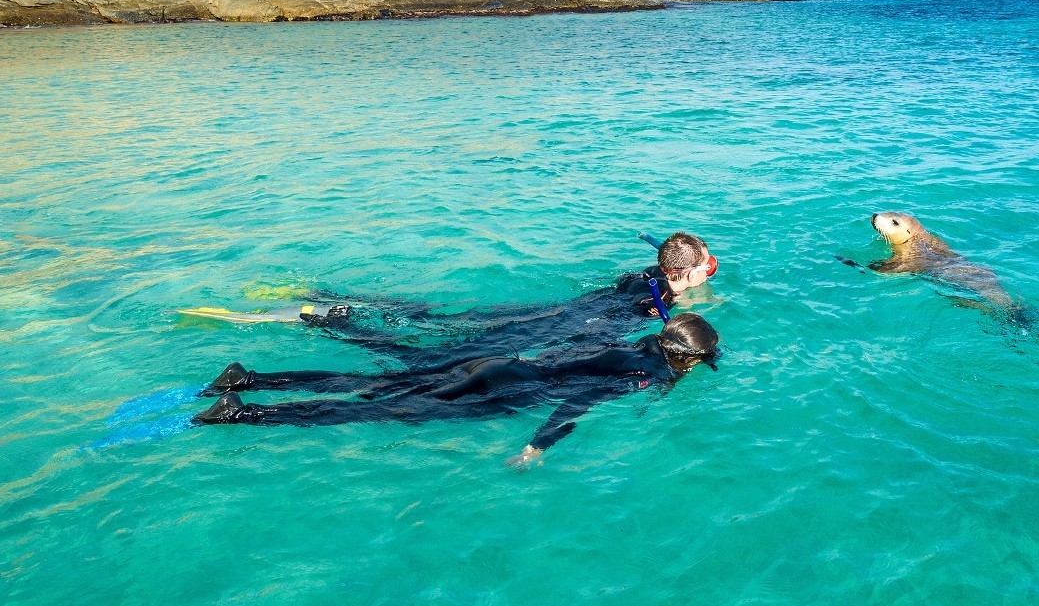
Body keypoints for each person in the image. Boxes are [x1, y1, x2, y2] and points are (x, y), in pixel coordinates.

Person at [192, 313, 721, 467]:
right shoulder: (646, 375)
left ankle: (249, 379)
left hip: (500, 365)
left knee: (373, 386)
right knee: (384, 411)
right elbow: (579, 400)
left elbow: (570, 361)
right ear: (689, 358)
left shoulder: (633, 345)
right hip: (505, 388)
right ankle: (243, 413)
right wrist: (538, 445)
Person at [280, 231, 719, 367]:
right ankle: (335, 321)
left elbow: (666, 269)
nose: (709, 270)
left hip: (560, 310)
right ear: (680, 273)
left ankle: (329, 300)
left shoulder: (645, 275)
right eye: (705, 267)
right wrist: (689, 302)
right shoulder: (660, 293)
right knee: (448, 354)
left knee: (454, 321)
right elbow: (663, 317)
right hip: (574, 324)